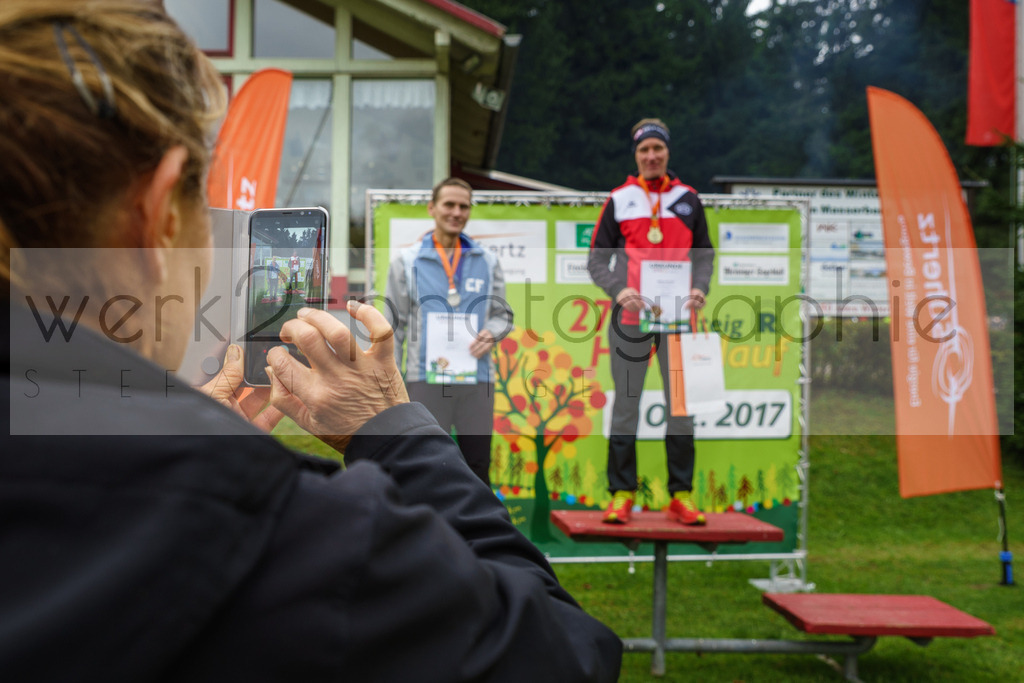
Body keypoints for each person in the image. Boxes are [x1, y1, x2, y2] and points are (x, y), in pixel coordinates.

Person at [0, 3, 622, 681]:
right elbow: (564, 652)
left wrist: (188, 434)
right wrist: (395, 433)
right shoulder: (292, 537)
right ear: (158, 216)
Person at [587, 118, 715, 526]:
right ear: (636, 155)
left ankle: (681, 495)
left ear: (667, 152)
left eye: (658, 148)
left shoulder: (688, 199)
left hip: (677, 321)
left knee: (680, 409)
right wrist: (618, 289)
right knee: (626, 408)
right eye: (644, 150)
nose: (651, 155)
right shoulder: (620, 198)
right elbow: (596, 260)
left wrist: (700, 288)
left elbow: (705, 254)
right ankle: (622, 494)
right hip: (630, 320)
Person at [384, 177, 513, 485]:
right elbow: (393, 325)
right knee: (427, 463)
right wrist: (393, 379)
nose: (456, 212)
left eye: (463, 206)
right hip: (424, 378)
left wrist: (492, 333)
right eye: (449, 204)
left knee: (477, 463)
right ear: (432, 208)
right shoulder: (406, 261)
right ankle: (427, 517)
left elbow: (502, 315)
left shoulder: (487, 261)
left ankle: (476, 519)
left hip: (477, 378)